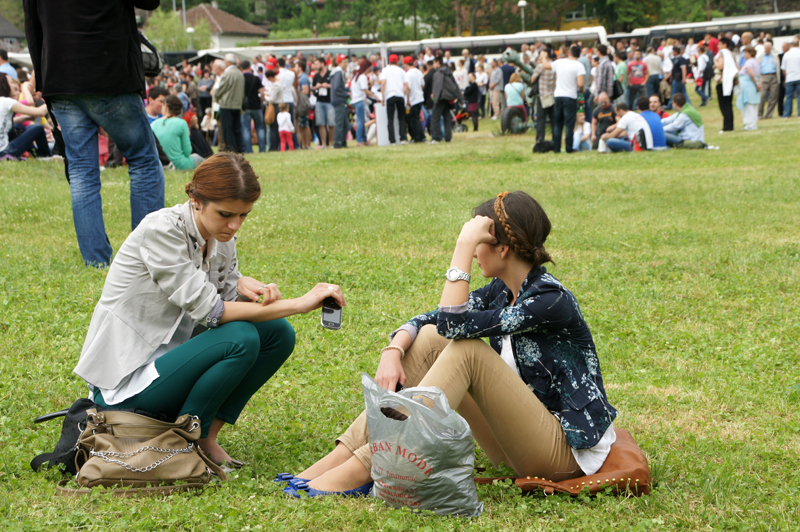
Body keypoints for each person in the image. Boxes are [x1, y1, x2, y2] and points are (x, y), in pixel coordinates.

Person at [283, 191, 617, 498]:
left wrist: (462, 246)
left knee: (466, 350)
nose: (473, 251)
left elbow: (454, 325)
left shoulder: (549, 300)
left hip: (565, 453)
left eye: (477, 243)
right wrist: (393, 350)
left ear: (502, 248)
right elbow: (432, 322)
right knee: (430, 339)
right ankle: (340, 459)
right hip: (517, 443)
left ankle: (361, 470)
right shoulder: (502, 290)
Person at [75, 153, 346, 468]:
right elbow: (212, 312)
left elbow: (224, 297)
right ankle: (182, 444)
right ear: (196, 199)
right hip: (125, 386)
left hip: (171, 362)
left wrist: (245, 289)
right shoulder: (161, 229)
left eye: (244, 215)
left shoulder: (219, 235)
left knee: (278, 333)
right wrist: (299, 304)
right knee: (241, 337)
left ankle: (205, 437)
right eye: (226, 214)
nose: (234, 225)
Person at [24, 0, 165, 268]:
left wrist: (44, 80)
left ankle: (96, 261)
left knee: (81, 173)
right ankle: (147, 256)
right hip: (110, 69)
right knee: (144, 161)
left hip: (60, 74)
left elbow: (32, 25)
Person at [543, 45, 585, 154]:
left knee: (558, 124)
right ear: (579, 55)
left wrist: (543, 56)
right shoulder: (579, 65)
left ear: (569, 53)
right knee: (569, 124)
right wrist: (582, 89)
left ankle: (556, 149)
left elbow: (546, 65)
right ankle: (568, 148)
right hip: (570, 96)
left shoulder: (559, 62)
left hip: (558, 95)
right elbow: (580, 83)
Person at [0, 74, 51, 159]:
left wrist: (27, 117)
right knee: (38, 128)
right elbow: (41, 112)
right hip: (5, 151)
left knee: (19, 126)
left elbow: (9, 121)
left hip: (3, 150)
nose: (15, 85)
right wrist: (54, 99)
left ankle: (37, 155)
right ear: (5, 85)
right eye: (11, 82)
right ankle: (47, 156)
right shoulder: (6, 102)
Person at [151, 95, 204, 170]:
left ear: (165, 107)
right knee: (197, 158)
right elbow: (187, 152)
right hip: (179, 164)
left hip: (160, 164)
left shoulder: (153, 124)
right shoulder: (182, 123)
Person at [215, 54, 245, 153]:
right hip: (237, 105)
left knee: (228, 130)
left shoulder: (228, 74)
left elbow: (222, 88)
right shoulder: (240, 73)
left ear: (228, 62)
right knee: (237, 129)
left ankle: (232, 150)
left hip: (227, 104)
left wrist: (216, 96)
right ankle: (239, 149)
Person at [430, 57, 462, 143]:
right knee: (447, 117)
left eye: (434, 63)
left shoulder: (438, 73)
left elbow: (438, 86)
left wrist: (435, 97)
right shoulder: (448, 72)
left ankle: (436, 138)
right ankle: (448, 137)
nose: (433, 65)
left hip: (440, 98)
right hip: (448, 98)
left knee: (435, 118)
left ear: (437, 62)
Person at [240, 61, 266, 154]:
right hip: (256, 106)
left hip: (245, 107)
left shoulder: (241, 78)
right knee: (260, 128)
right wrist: (261, 101)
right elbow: (262, 92)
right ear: (250, 67)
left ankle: (248, 149)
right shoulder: (256, 78)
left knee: (246, 129)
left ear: (241, 68)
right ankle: (262, 149)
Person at [380, 54, 407, 145]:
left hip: (390, 95)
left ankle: (392, 140)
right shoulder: (401, 71)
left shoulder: (385, 70)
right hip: (400, 95)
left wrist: (382, 97)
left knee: (390, 119)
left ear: (389, 61)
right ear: (397, 61)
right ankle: (403, 138)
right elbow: (406, 85)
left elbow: (383, 83)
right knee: (402, 118)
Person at [531, 50, 556, 146]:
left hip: (543, 96)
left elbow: (532, 79)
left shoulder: (540, 67)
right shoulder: (554, 65)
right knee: (554, 120)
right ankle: (555, 139)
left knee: (541, 120)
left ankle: (540, 139)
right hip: (552, 95)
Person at [715, 38, 738, 132]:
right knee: (728, 104)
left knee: (723, 105)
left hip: (722, 82)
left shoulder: (722, 53)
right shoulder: (731, 54)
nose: (718, 46)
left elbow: (720, 66)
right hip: (730, 81)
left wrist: (714, 61)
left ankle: (726, 126)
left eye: (720, 44)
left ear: (725, 44)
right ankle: (730, 125)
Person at [351, 59, 375, 147]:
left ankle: (363, 139)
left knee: (361, 120)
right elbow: (365, 90)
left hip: (354, 100)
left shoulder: (356, 75)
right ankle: (359, 140)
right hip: (360, 100)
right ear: (368, 67)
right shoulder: (363, 76)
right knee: (361, 121)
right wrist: (375, 96)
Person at [311, 58, 334, 148]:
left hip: (329, 101)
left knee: (331, 123)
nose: (315, 66)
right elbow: (312, 88)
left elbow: (335, 86)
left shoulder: (330, 74)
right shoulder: (316, 76)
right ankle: (324, 143)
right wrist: (316, 87)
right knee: (321, 123)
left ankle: (332, 143)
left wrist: (327, 85)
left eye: (317, 64)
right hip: (319, 101)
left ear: (323, 64)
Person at [737, 47, 761, 131]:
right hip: (753, 85)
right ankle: (753, 123)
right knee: (754, 105)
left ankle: (749, 124)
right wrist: (758, 84)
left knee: (748, 105)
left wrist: (755, 84)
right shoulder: (756, 62)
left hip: (748, 85)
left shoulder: (748, 62)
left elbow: (751, 74)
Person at [403, 56, 425, 142]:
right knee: (416, 118)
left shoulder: (408, 74)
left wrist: (407, 100)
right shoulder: (418, 72)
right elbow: (423, 85)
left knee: (413, 119)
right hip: (420, 97)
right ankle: (421, 136)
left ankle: (417, 137)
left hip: (413, 99)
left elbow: (408, 88)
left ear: (405, 64)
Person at [330, 55, 349, 149]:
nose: (346, 64)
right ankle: (338, 142)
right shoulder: (338, 73)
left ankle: (342, 141)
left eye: (347, 61)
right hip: (339, 100)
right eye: (344, 62)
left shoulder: (338, 72)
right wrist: (346, 93)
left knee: (345, 123)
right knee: (340, 123)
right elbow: (337, 87)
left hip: (339, 99)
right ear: (339, 63)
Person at [758, 42, 780, 119]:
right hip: (764, 76)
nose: (766, 49)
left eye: (767, 48)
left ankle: (769, 114)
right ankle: (759, 114)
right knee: (762, 96)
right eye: (765, 48)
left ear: (770, 48)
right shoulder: (761, 56)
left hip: (773, 76)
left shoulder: (774, 56)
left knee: (773, 96)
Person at [666, 46, 691, 110]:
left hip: (678, 79)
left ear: (675, 52)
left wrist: (683, 78)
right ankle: (689, 104)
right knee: (683, 92)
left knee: (674, 92)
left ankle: (669, 105)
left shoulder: (681, 59)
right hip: (676, 78)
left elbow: (683, 68)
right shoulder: (676, 59)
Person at [264, 69, 284, 152]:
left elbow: (272, 98)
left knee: (273, 128)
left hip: (274, 106)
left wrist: (266, 97)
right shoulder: (280, 82)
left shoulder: (276, 85)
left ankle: (273, 147)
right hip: (278, 105)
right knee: (275, 127)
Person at [782, 37, 800, 118]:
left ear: (791, 45)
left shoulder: (786, 54)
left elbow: (783, 69)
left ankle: (787, 114)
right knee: (799, 96)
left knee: (789, 96)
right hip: (799, 77)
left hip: (789, 78)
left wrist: (786, 77)